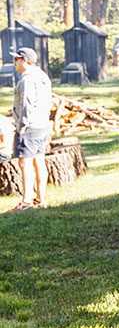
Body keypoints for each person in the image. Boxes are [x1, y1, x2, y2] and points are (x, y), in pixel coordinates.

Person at [11, 47, 52, 211]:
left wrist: (21, 127)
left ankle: (27, 201)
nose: (14, 63)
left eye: (16, 59)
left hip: (29, 127)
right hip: (42, 125)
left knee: (25, 163)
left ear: (24, 60)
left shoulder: (27, 80)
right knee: (39, 161)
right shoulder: (43, 76)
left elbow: (26, 106)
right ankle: (40, 199)